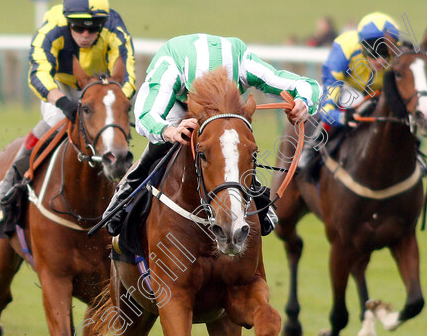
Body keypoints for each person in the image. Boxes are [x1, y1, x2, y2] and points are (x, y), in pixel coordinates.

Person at [102, 33, 321, 237]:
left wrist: (303, 102)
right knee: (165, 141)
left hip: (225, 111)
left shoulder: (242, 63)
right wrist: (169, 130)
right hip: (180, 107)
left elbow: (307, 85)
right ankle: (128, 190)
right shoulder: (172, 66)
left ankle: (252, 188)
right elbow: (146, 114)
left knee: (235, 140)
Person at [0, 0, 136, 207]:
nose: (86, 34)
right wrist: (62, 102)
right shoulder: (53, 28)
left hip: (103, 87)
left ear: (103, 22)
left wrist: (114, 102)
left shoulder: (115, 29)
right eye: (78, 27)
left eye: (93, 28)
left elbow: (128, 76)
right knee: (56, 118)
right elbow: (39, 73)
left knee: (115, 122)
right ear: (68, 20)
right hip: (63, 85)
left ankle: (131, 183)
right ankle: (14, 173)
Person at [297, 12, 400, 182]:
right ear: (362, 47)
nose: (381, 60)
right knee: (354, 99)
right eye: (374, 53)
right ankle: (311, 148)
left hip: (380, 92)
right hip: (349, 88)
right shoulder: (343, 51)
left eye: (386, 53)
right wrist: (342, 117)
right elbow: (326, 108)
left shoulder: (400, 54)